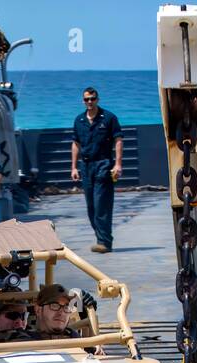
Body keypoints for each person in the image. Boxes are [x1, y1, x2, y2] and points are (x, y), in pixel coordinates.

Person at [69, 87, 124, 253]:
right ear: (83, 101)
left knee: (102, 205)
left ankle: (105, 242)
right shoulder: (79, 120)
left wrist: (118, 164)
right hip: (86, 166)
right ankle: (101, 237)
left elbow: (118, 140)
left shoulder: (108, 118)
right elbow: (76, 144)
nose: (90, 102)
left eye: (92, 98)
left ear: (97, 99)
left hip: (103, 164)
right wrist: (73, 167)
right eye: (87, 99)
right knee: (91, 207)